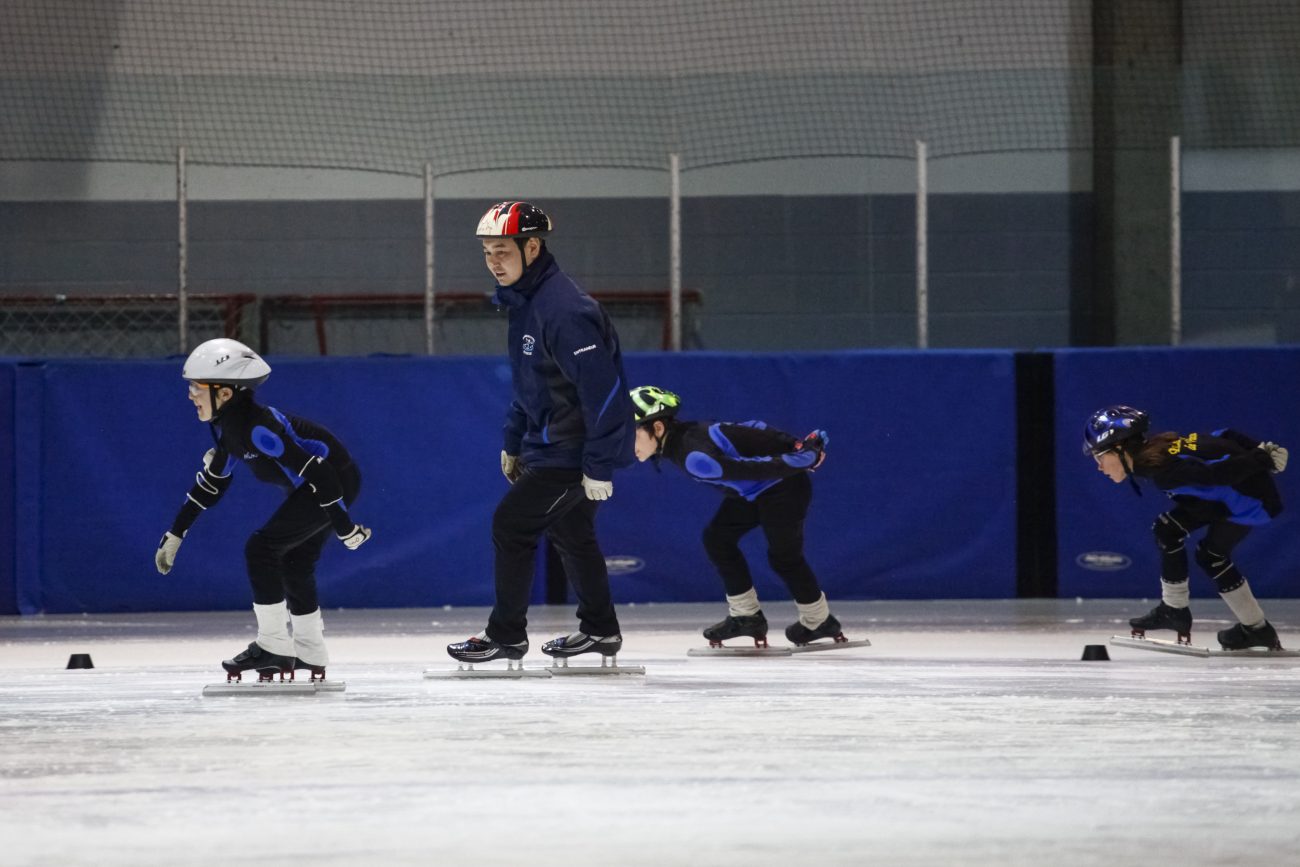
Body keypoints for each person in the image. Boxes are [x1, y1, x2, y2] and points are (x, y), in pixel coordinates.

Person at [446, 201, 636, 667]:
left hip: (570, 451)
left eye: (502, 251)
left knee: (511, 526)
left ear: (532, 247)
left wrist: (597, 465)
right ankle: (600, 630)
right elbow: (532, 384)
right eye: (487, 252)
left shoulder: (564, 311)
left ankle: (506, 636)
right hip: (550, 444)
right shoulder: (526, 302)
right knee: (572, 532)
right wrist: (513, 441)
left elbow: (604, 393)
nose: (493, 261)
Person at [156, 338, 371, 681]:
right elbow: (211, 486)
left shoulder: (255, 428)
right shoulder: (230, 429)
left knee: (262, 549)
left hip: (332, 482)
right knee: (293, 559)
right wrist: (176, 534)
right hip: (325, 484)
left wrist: (344, 525)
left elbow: (319, 472)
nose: (190, 395)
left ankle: (273, 647)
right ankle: (309, 651)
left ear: (224, 393)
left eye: (196, 387)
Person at [628, 385, 843, 648]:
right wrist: (796, 445)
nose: (627, 444)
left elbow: (751, 468)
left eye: (633, 434)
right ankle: (746, 617)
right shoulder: (685, 436)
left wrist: (802, 456)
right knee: (717, 539)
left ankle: (819, 621)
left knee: (784, 558)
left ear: (658, 428)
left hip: (784, 489)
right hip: (757, 491)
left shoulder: (692, 455)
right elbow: (753, 428)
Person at [1083, 404, 1288, 651]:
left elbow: (1215, 474)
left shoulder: (1164, 471)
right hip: (1223, 498)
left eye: (1099, 457)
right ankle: (1174, 609)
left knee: (1211, 556)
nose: (1099, 466)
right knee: (1167, 530)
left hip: (1251, 501)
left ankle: (1257, 630)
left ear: (1118, 448)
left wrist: (1260, 459)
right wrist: (1258, 451)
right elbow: (1224, 434)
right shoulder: (1162, 447)